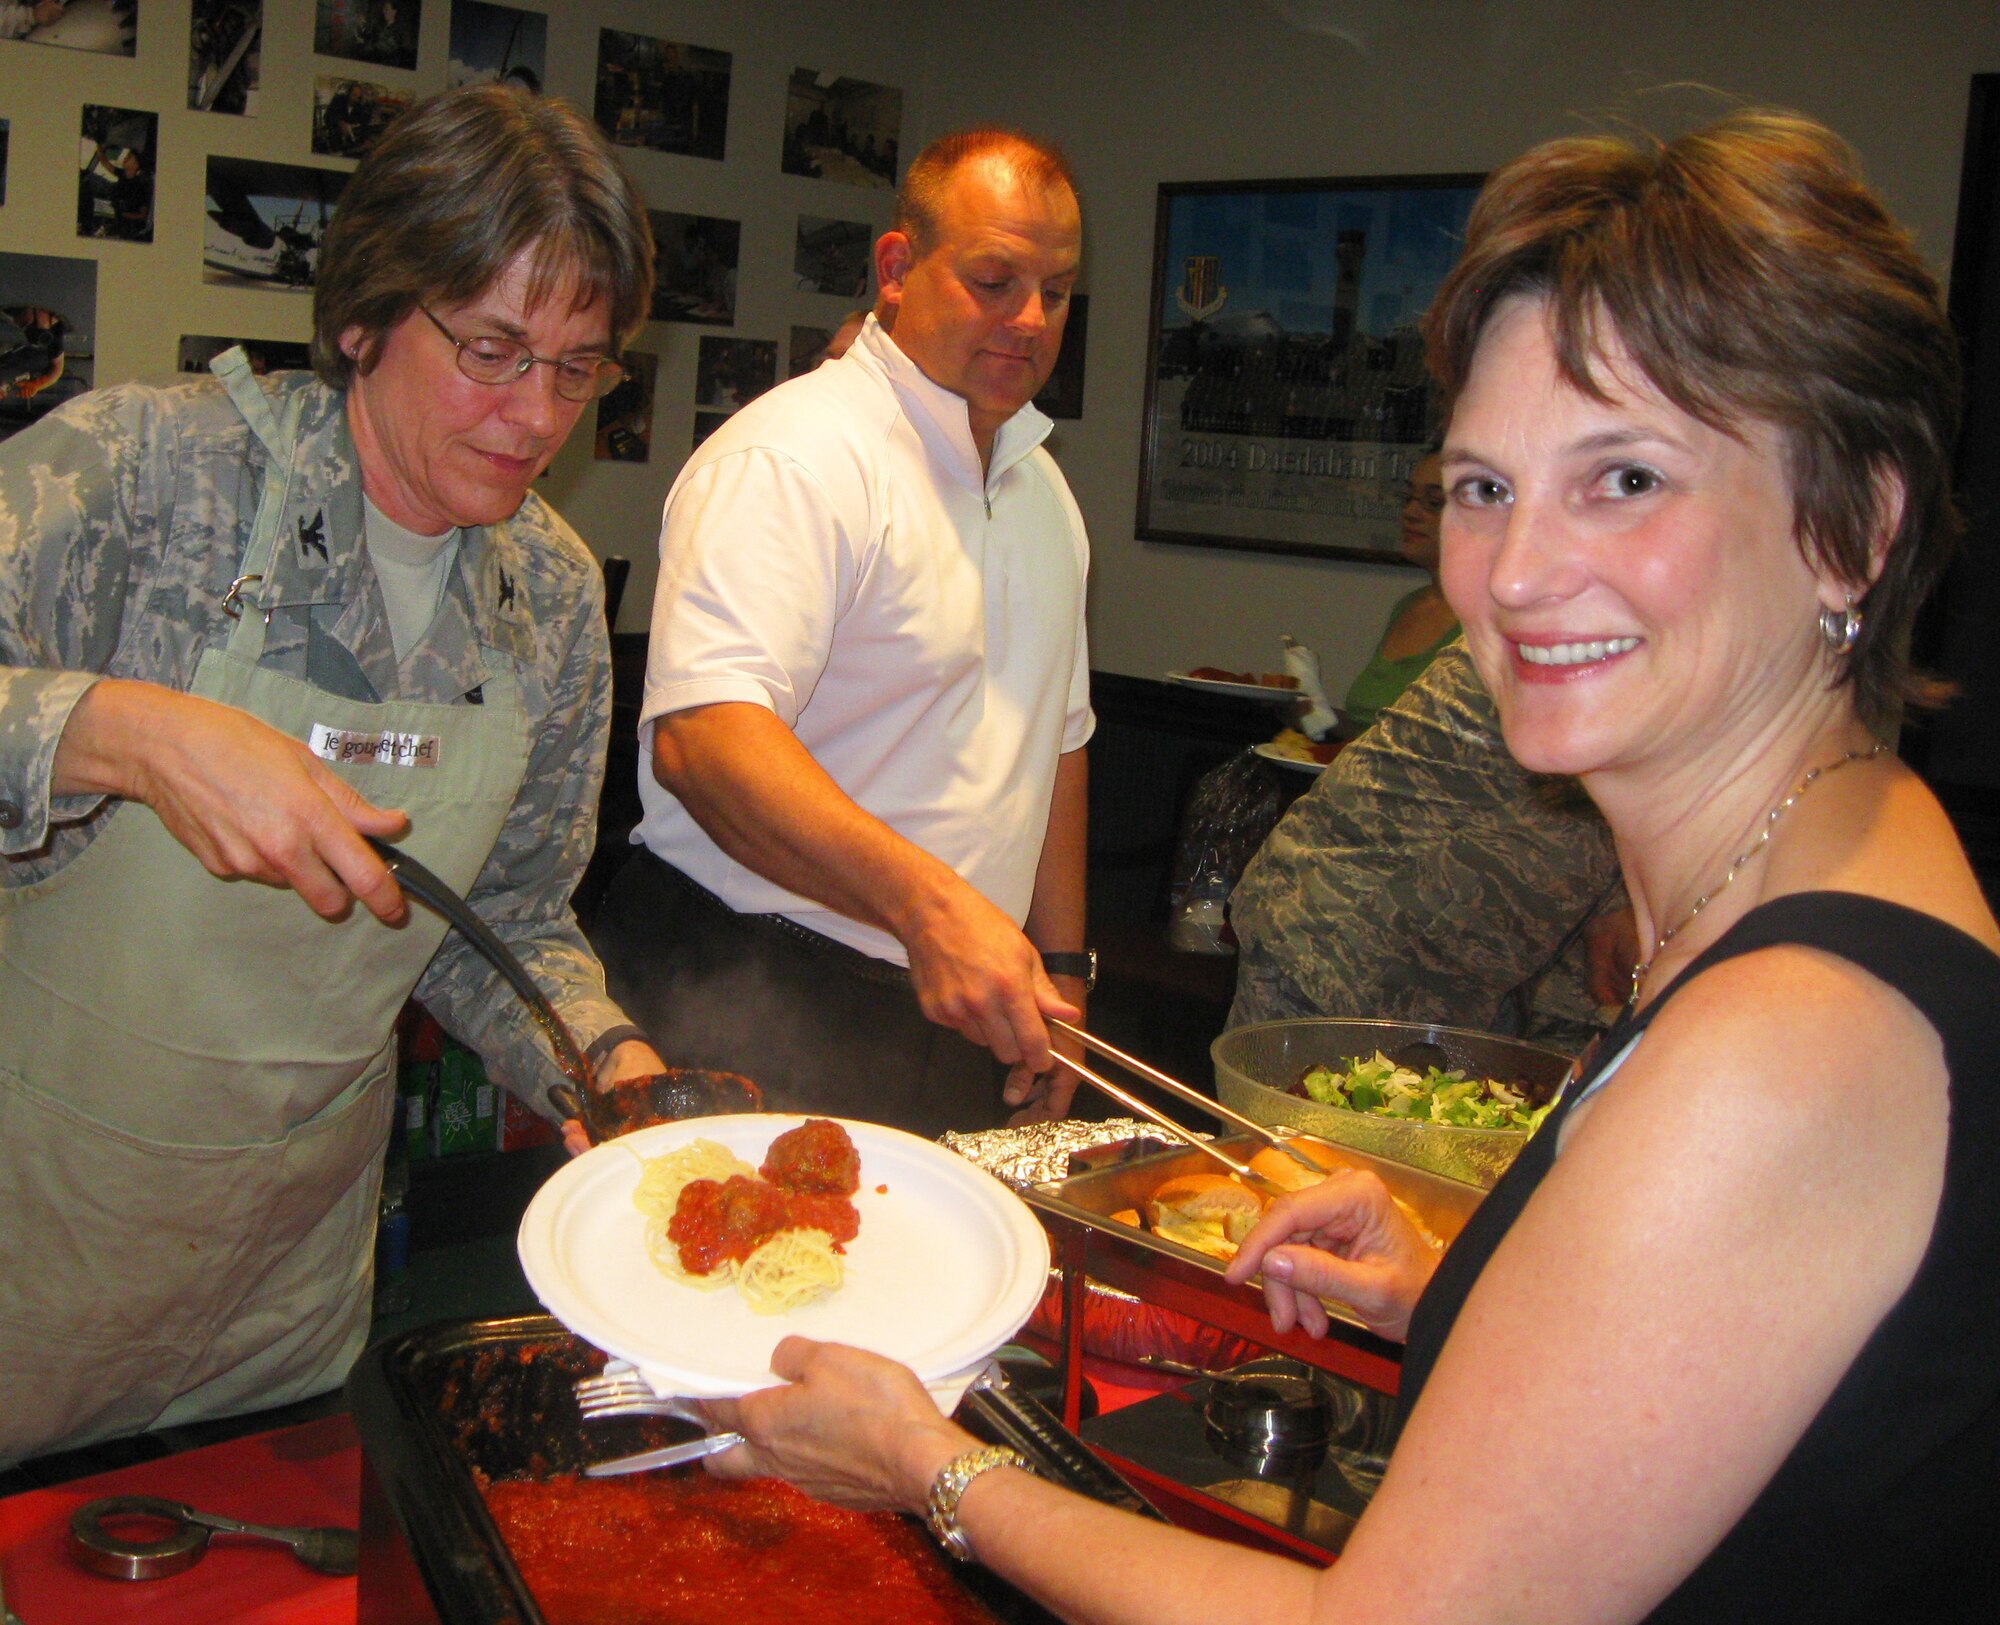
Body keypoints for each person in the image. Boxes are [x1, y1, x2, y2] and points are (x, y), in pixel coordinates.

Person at [701, 111, 1999, 1623]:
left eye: (1627, 479)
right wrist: (1449, 1281)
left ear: (1854, 526)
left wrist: (928, 1464)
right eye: (1483, 486)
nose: (1513, 576)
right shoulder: (1848, 852)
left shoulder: (1782, 1048)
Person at [0, 84, 668, 1469]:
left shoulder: (541, 596)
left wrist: (602, 1061)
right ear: (364, 316)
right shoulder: (139, 478)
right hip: (33, 1247)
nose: (535, 413)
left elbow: (511, 918)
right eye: (492, 349)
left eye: (579, 367)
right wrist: (133, 732)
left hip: (275, 1301)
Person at [591, 129, 1092, 1138]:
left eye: (1057, 288)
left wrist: (1067, 972)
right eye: (993, 279)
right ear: (897, 268)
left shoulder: (1041, 485)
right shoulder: (795, 457)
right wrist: (931, 907)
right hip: (745, 978)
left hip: (948, 1001)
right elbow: (704, 742)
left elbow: (1059, 739)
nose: (1030, 318)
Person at [1231, 638, 1622, 1054]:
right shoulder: (1569, 633)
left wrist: (1611, 905)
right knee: (1298, 1115)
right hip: (1351, 937)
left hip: (1488, 953)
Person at [1339, 448, 1459, 732]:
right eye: (1408, 499)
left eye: (1433, 502)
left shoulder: (1490, 623)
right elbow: (1371, 730)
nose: (1410, 513)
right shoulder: (1411, 605)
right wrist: (1312, 715)